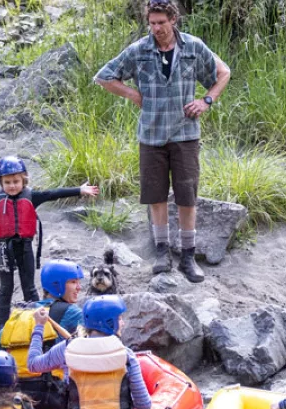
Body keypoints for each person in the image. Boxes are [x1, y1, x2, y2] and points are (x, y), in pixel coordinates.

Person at [94, 0, 231, 283]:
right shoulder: (139, 51)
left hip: (185, 134)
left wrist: (206, 100)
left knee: (187, 197)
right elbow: (104, 77)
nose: (157, 28)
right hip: (151, 136)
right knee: (155, 196)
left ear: (173, 20)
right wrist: (133, 94)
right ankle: (162, 252)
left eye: (162, 23)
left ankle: (189, 257)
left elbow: (223, 72)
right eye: (152, 23)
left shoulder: (193, 47)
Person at [0, 156, 99, 328]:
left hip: (24, 248)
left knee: (29, 288)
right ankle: (2, 327)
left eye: (16, 181)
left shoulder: (32, 197)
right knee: (5, 289)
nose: (12, 186)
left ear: (24, 180)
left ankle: (40, 324)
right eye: (7, 182)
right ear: (1, 182)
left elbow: (53, 193)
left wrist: (79, 190)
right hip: (4, 250)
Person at [26, 295, 152, 409]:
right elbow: (144, 406)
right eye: (119, 318)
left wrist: (39, 327)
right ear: (109, 322)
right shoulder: (127, 356)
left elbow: (32, 365)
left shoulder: (67, 349)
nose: (123, 322)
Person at [0, 259, 85, 409]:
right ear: (57, 285)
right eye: (73, 282)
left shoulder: (21, 313)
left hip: (14, 396)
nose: (79, 287)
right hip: (52, 397)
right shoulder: (73, 312)